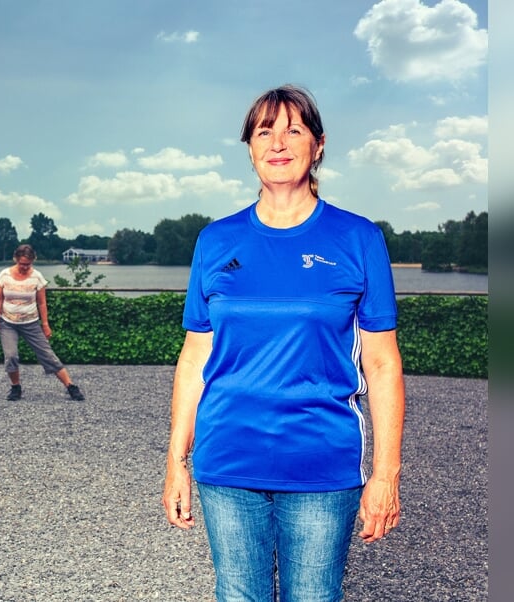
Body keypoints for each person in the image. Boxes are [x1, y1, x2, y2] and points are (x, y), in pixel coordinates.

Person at [162, 84, 405, 601]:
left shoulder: (358, 238)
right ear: (249, 147)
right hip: (227, 462)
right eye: (264, 131)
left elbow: (383, 365)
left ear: (318, 145)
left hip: (321, 462)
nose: (278, 142)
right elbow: (194, 356)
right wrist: (175, 462)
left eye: (294, 129)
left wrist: (385, 474)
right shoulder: (216, 240)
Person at [0, 244, 85, 402]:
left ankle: (71, 386)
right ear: (16, 259)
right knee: (11, 356)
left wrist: (45, 324)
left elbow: (42, 303)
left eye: (28, 264)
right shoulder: (4, 275)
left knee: (47, 355)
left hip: (31, 322)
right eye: (22, 264)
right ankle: (16, 387)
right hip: (7, 322)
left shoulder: (37, 277)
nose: (25, 267)